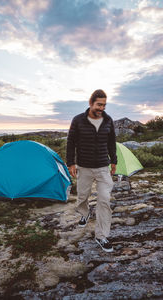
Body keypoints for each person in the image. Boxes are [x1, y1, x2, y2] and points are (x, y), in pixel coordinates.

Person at [66, 89, 117, 252]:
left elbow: (112, 142)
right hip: (84, 167)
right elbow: (71, 142)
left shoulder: (108, 120)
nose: (101, 108)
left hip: (103, 167)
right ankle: (85, 212)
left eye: (104, 105)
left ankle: (102, 236)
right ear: (91, 103)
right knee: (82, 196)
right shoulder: (78, 120)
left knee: (104, 199)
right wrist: (70, 163)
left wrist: (114, 161)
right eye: (99, 104)